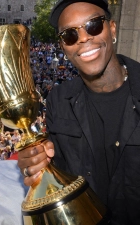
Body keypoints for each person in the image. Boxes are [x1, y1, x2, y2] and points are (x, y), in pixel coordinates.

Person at [18, 0, 140, 224]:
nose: (83, 38)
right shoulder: (58, 100)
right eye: (70, 35)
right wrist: (38, 164)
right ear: (63, 47)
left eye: (93, 25)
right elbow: (60, 170)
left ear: (112, 28)